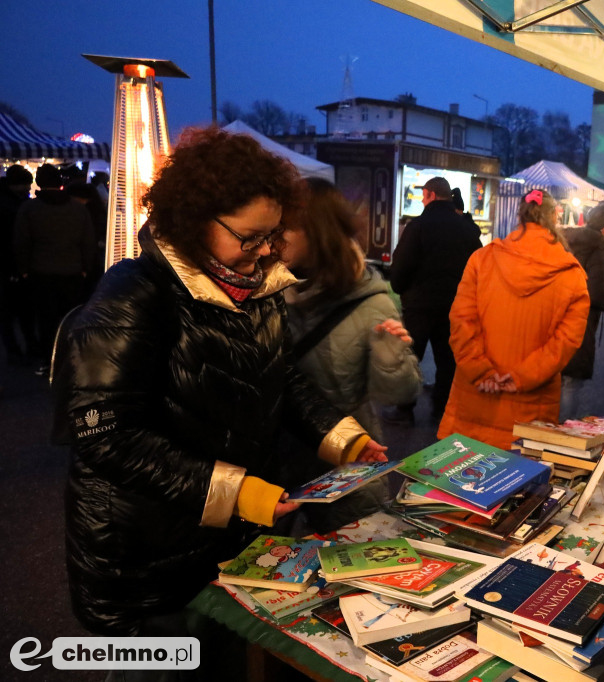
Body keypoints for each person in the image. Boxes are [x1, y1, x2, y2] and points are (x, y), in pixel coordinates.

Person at [62, 127, 387, 643]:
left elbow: (278, 376)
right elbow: (106, 435)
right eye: (249, 237)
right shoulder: (134, 294)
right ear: (194, 221)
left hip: (231, 539)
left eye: (273, 236)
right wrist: (236, 492)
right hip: (146, 553)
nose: (263, 253)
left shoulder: (256, 288)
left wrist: (343, 436)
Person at [438, 188, 588, 448]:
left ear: (519, 216)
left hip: (474, 402)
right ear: (555, 217)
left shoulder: (482, 259)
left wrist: (481, 371)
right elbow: (563, 344)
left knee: (463, 481)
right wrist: (519, 377)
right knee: (522, 485)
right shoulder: (572, 276)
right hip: (530, 413)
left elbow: (461, 321)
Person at [277, 177, 422, 445]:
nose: (274, 238)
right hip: (272, 461)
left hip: (341, 456)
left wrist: (391, 362)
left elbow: (400, 394)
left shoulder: (370, 301)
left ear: (316, 230)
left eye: (284, 227)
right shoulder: (263, 288)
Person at [388, 176, 480, 423]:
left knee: (410, 357)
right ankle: (442, 408)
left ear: (429, 195)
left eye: (423, 195)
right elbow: (479, 263)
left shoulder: (418, 226)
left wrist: (400, 288)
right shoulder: (465, 228)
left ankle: (405, 410)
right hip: (454, 304)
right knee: (447, 359)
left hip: (419, 304)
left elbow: (401, 266)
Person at [14, 163, 95, 371]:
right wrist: (86, 267)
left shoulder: (29, 209)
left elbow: (22, 241)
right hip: (73, 270)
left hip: (41, 271)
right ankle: (73, 360)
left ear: (39, 182)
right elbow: (88, 241)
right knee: (71, 317)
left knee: (46, 320)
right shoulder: (77, 208)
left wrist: (23, 268)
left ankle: (49, 361)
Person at [560, 202, 604, 420]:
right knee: (570, 385)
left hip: (554, 318)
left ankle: (544, 431)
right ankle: (561, 435)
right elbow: (598, 295)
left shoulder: (567, 241)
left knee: (554, 381)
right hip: (579, 323)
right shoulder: (598, 251)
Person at [0, 164, 34, 365]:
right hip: (10, 264)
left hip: (12, 264)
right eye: (27, 185)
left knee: (12, 312)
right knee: (15, 310)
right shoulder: (11, 206)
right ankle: (19, 349)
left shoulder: (13, 201)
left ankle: (17, 349)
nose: (29, 189)